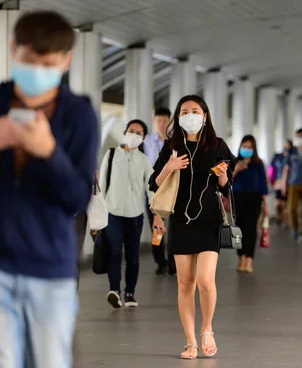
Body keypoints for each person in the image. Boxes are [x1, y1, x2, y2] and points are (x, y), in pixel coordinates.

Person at [0, 10, 99, 367]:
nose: (38, 71)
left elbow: (76, 199)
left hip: (51, 270)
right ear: (14, 49)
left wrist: (49, 152)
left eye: (48, 63)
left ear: (66, 61)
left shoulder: (78, 116)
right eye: (30, 61)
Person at [149, 95, 234, 359]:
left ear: (205, 116)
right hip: (181, 221)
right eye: (184, 111)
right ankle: (190, 341)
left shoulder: (218, 146)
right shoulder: (172, 145)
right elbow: (155, 183)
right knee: (185, 284)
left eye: (195, 111)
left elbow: (227, 188)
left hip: (209, 220)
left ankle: (206, 329)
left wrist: (222, 178)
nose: (190, 115)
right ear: (178, 117)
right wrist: (170, 166)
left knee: (206, 281)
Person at [99, 119, 157, 309]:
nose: (134, 135)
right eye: (131, 131)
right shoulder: (112, 154)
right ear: (125, 132)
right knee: (114, 251)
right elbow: (101, 185)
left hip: (135, 215)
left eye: (138, 133)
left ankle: (130, 293)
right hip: (112, 213)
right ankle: (114, 290)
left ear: (144, 138)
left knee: (132, 256)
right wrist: (98, 215)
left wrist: (156, 213)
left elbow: (151, 189)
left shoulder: (144, 161)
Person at [144, 107, 176, 275]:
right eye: (159, 120)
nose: (162, 123)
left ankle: (173, 261)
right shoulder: (147, 142)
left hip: (174, 189)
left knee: (174, 227)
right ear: (155, 121)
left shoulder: (175, 140)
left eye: (165, 120)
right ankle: (160, 262)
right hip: (154, 190)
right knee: (157, 227)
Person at [232, 135, 269, 273]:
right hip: (237, 198)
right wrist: (236, 170)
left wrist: (265, 204)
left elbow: (262, 185)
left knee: (251, 230)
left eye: (249, 147)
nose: (246, 149)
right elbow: (226, 180)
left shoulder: (258, 164)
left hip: (254, 200)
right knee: (238, 230)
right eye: (244, 146)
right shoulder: (234, 161)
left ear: (254, 149)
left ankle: (249, 260)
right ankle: (240, 257)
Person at [269, 140, 293, 227]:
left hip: (289, 183)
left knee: (286, 203)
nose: (286, 147)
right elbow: (271, 168)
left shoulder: (292, 157)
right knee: (278, 203)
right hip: (278, 182)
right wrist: (271, 180)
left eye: (288, 145)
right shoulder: (277, 156)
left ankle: (286, 221)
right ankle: (280, 217)